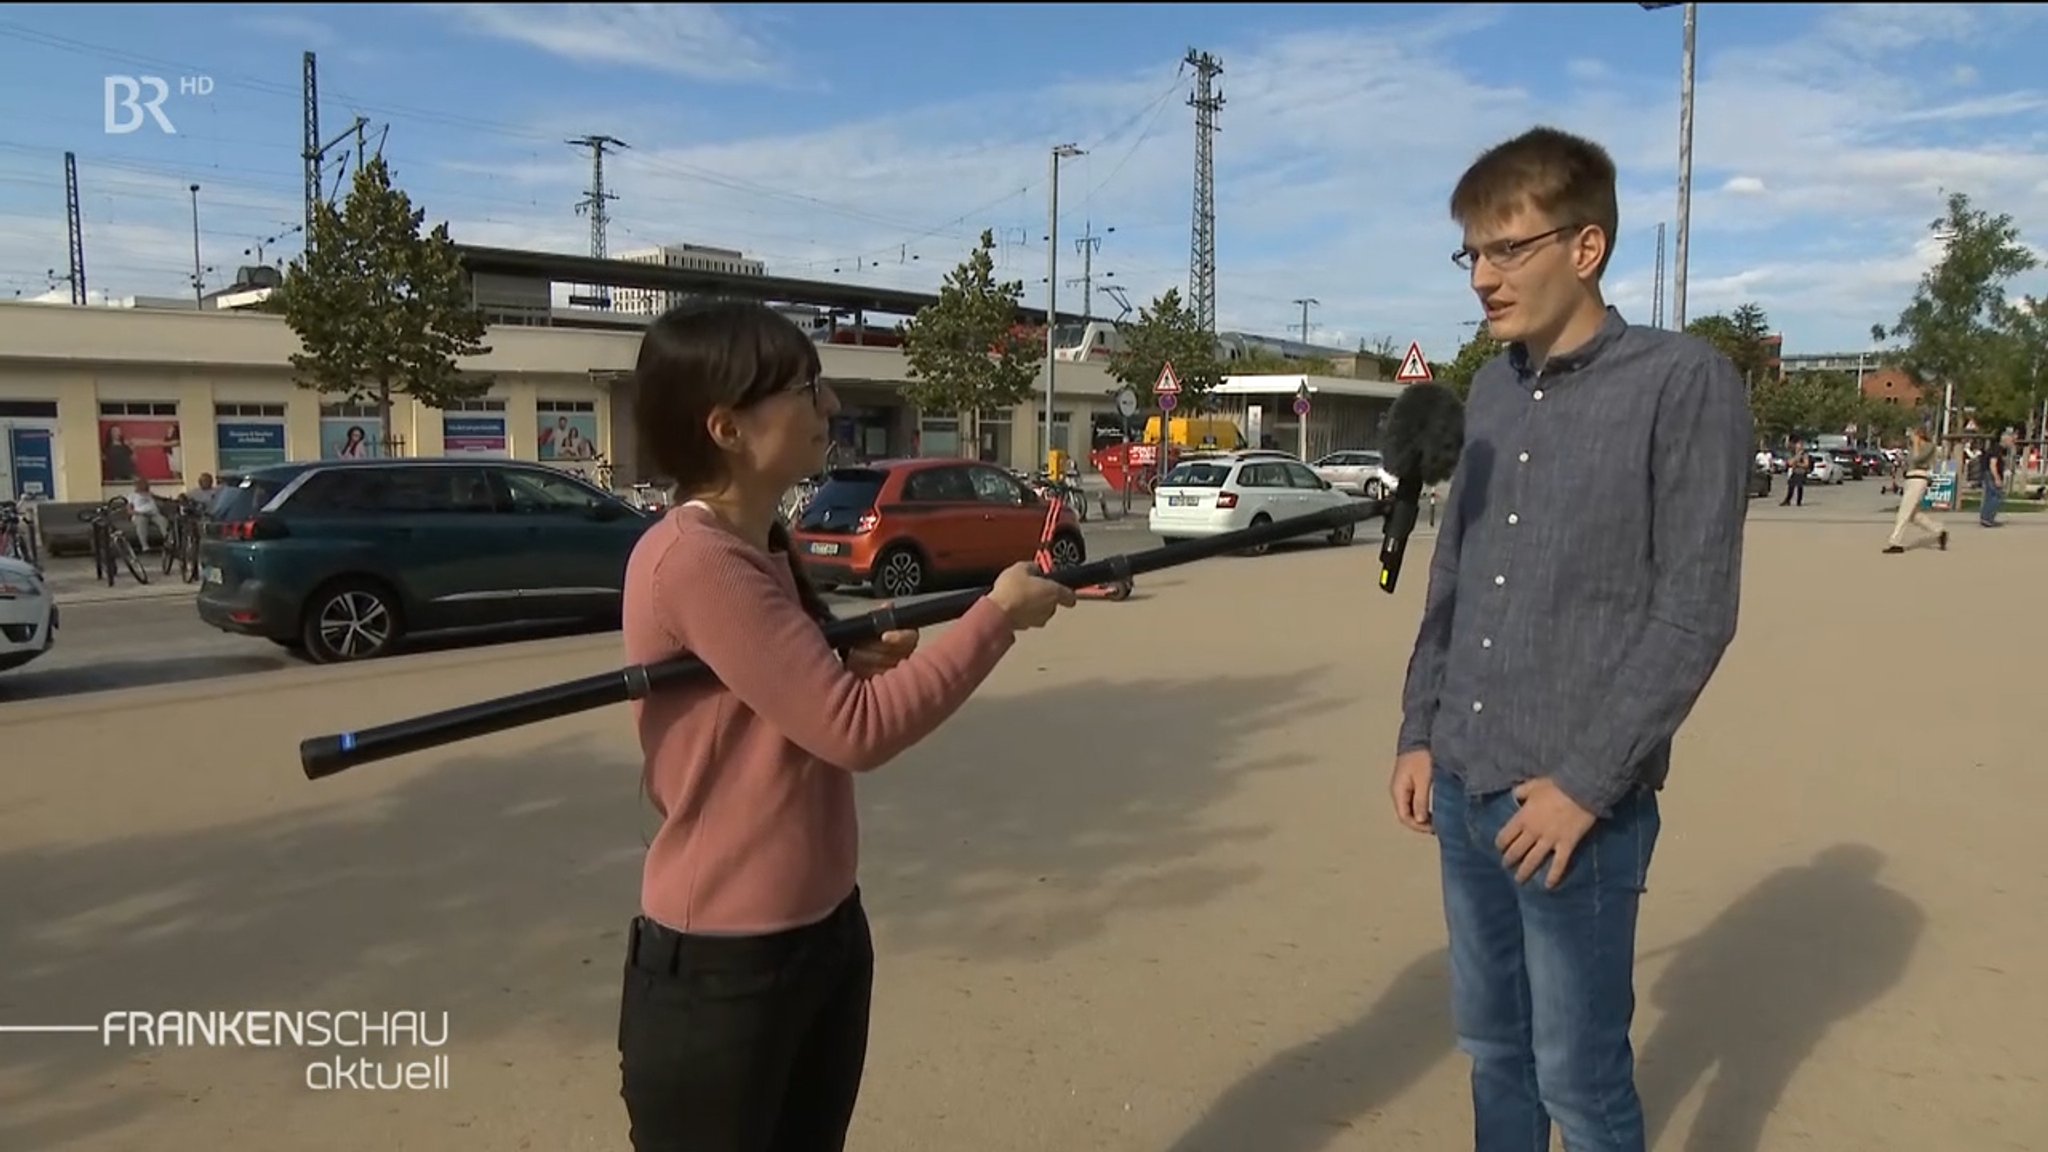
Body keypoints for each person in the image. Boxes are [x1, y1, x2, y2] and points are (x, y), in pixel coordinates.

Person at [615, 299, 1075, 1152]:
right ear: (726, 427)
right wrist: (997, 616)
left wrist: (843, 655)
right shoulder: (698, 560)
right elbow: (855, 732)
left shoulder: (760, 545)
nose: (830, 409)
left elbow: (767, 705)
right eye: (806, 389)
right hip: (725, 969)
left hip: (819, 935)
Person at [1388, 126, 1750, 1152]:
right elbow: (1451, 580)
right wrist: (1418, 732)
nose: (1481, 279)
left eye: (1506, 250)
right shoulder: (1490, 389)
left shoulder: (1681, 383)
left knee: (1580, 1086)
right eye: (1470, 253)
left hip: (1570, 811)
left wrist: (1586, 785)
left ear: (1584, 248)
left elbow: (1693, 611)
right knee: (1492, 1055)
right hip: (1462, 786)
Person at [1883, 425, 1947, 554]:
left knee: (1904, 512)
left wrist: (1917, 444)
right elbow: (1908, 462)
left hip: (1920, 478)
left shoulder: (1929, 446)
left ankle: (1895, 542)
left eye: (1913, 434)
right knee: (1913, 515)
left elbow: (1918, 460)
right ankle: (1939, 531)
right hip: (1910, 479)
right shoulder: (1912, 447)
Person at [125, 478, 171, 553]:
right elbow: (129, 509)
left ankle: (169, 543)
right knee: (142, 522)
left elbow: (160, 499)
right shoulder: (132, 496)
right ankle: (145, 546)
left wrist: (166, 501)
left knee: (163, 520)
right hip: (140, 515)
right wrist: (136, 512)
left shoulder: (150, 494)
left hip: (153, 514)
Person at [1979, 428, 2010, 527]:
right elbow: (1993, 464)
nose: (2012, 443)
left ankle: (1985, 518)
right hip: (1991, 474)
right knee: (1997, 496)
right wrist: (1997, 478)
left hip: (1988, 473)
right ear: (2006, 440)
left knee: (1990, 496)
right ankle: (1988, 518)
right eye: (2011, 440)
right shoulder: (1997, 449)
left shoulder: (1996, 448)